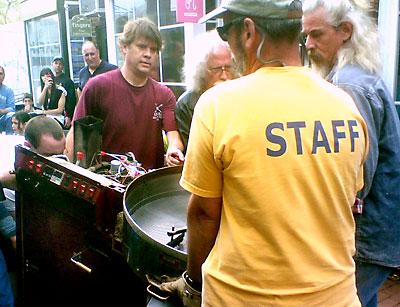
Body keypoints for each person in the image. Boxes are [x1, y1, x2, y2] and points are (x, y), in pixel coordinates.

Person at [158, 0, 370, 306]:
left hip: (243, 298)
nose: (228, 48)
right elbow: (346, 201)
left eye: (225, 31)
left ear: (248, 31)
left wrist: (192, 281)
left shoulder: (219, 105)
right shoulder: (346, 105)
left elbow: (204, 213)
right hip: (336, 296)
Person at [302, 1, 400, 306]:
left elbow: (356, 177)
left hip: (368, 237)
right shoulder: (351, 76)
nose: (308, 44)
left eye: (316, 35)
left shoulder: (349, 87)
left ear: (345, 31)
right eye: (305, 35)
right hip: (378, 232)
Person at [66, 18, 184, 170]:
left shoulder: (164, 94)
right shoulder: (98, 87)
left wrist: (174, 149)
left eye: (154, 50)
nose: (148, 54)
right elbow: (75, 140)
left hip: (149, 186)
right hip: (107, 185)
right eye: (142, 46)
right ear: (124, 47)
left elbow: (173, 135)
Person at [0, 115, 66, 306]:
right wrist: (12, 233)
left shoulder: (49, 153)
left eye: (60, 154)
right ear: (29, 148)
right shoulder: (8, 166)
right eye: (49, 157)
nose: (58, 162)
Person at [176, 30, 238, 151]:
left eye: (229, 68)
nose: (224, 76)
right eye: (216, 69)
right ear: (201, 71)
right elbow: (193, 151)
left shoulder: (243, 97)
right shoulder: (186, 105)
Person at [52, 56, 77, 129]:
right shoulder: (51, 80)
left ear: (63, 66)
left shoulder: (67, 81)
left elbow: (71, 100)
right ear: (52, 64)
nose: (58, 65)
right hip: (51, 113)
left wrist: (68, 116)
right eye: (56, 63)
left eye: (60, 64)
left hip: (63, 115)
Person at [0, 66, 15, 135]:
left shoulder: (8, 91)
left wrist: (2, 111)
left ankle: (9, 139)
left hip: (2, 118)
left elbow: (12, 108)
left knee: (11, 115)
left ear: (4, 76)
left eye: (0, 73)